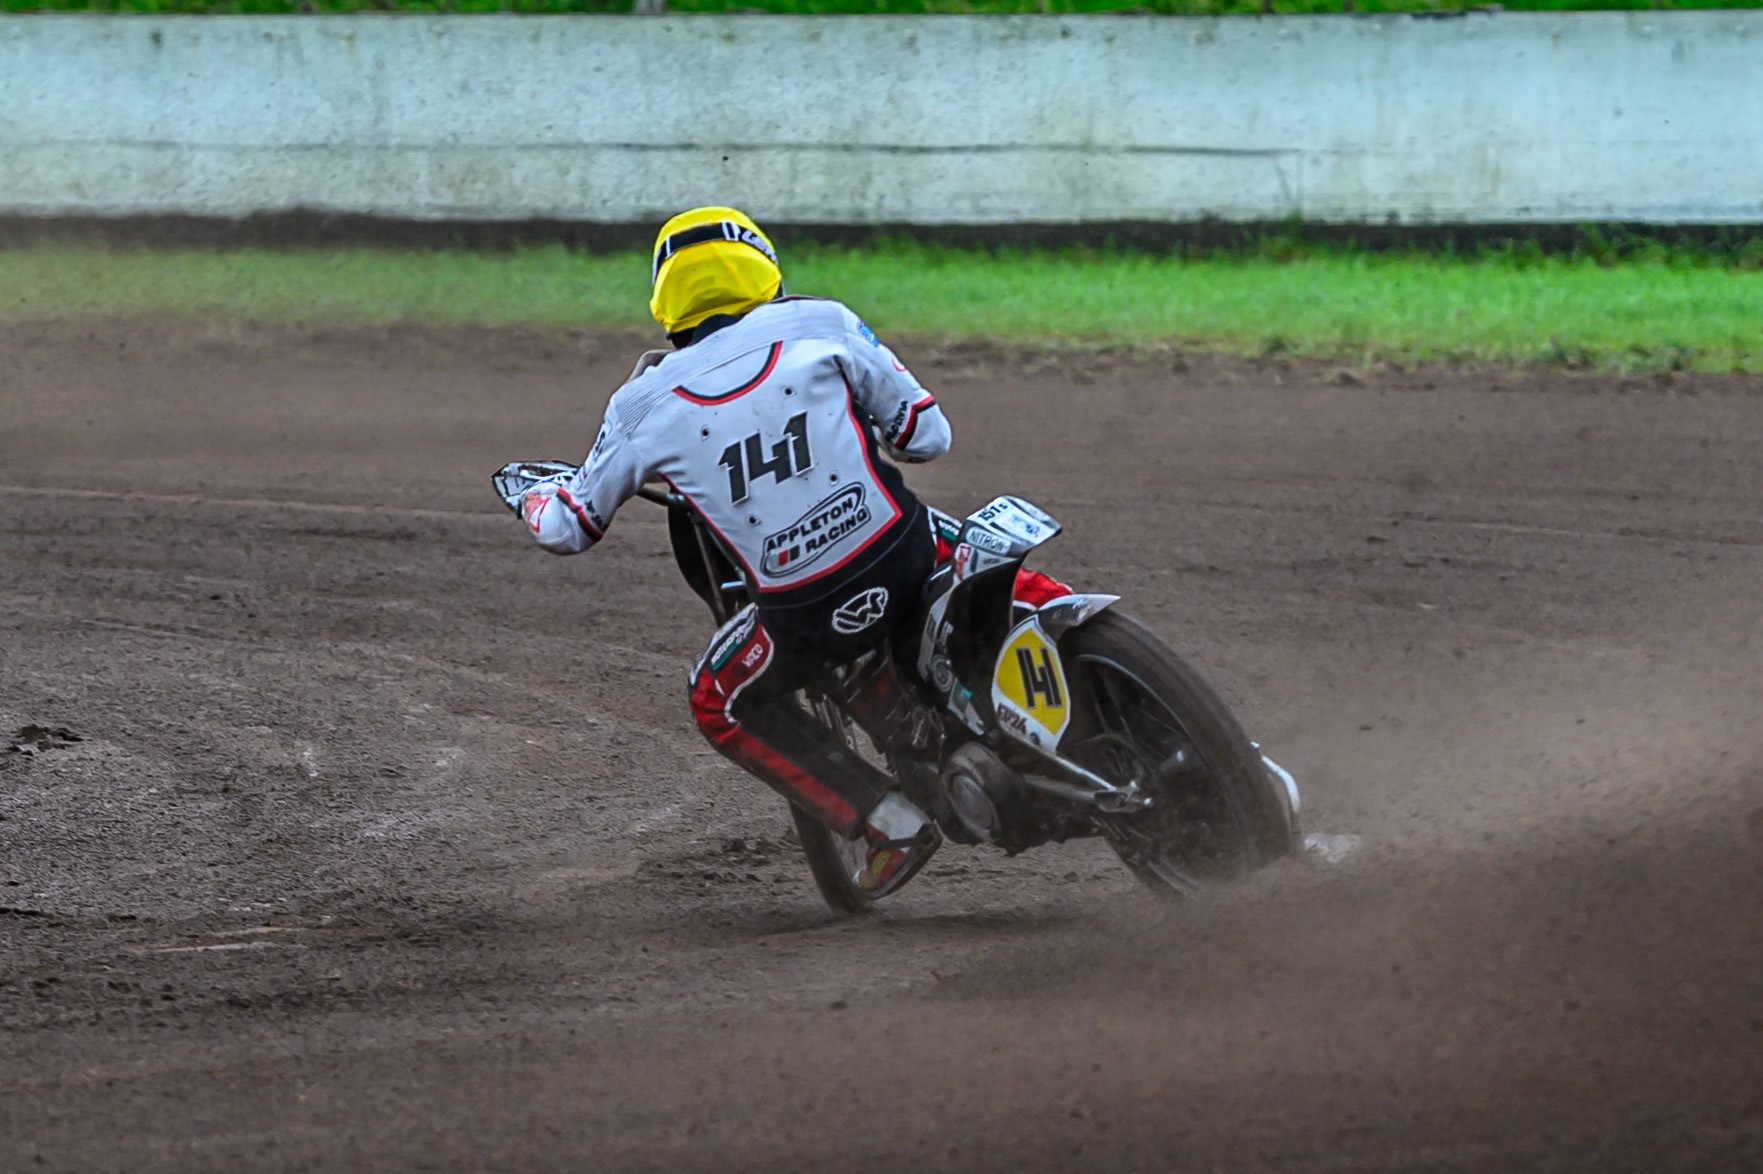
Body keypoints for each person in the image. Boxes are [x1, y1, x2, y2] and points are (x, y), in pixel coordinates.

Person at [494, 207, 955, 897]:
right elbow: (925, 438)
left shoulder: (642, 403)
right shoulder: (822, 321)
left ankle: (888, 820)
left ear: (664, 300)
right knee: (974, 545)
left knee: (716, 698)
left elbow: (568, 527)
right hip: (905, 550)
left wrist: (534, 494)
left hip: (803, 610)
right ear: (764, 270)